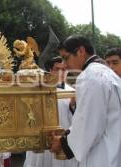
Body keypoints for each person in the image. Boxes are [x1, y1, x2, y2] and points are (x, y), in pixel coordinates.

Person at [50, 36, 121, 167]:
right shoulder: (108, 74)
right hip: (113, 151)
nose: (65, 64)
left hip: (101, 157)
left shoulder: (90, 76)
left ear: (81, 51)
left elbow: (88, 123)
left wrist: (62, 142)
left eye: (66, 57)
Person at [23, 56, 78, 167]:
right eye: (57, 69)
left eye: (64, 69)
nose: (61, 72)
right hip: (43, 137)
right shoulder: (40, 90)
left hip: (63, 139)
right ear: (50, 71)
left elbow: (79, 117)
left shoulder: (73, 91)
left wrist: (73, 105)